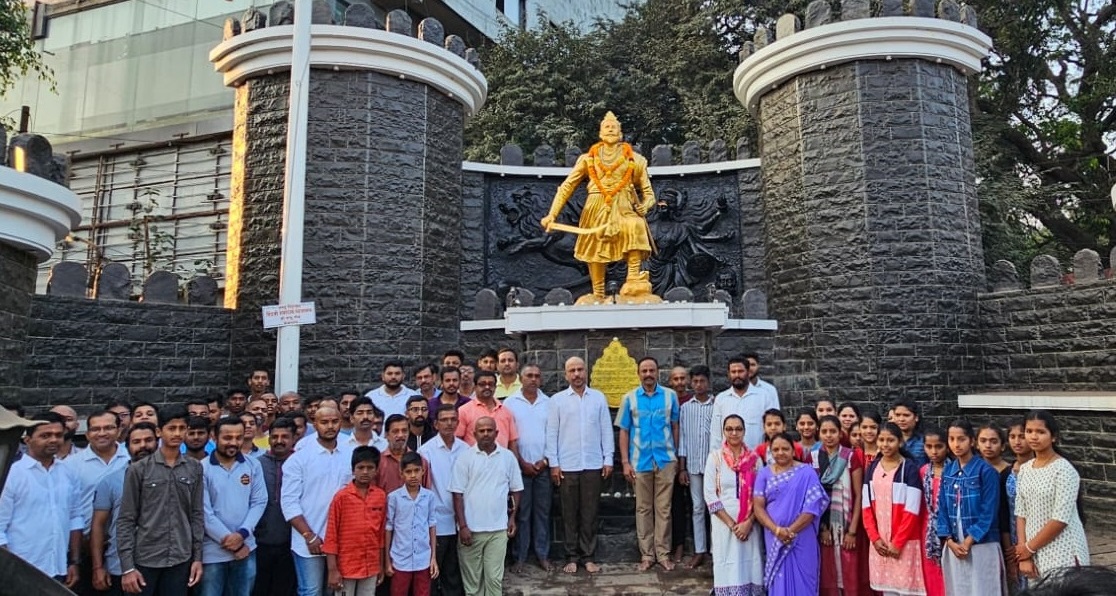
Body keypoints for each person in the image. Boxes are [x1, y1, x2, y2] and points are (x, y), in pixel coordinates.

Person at [541, 110, 658, 303]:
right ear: (600, 132)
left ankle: (633, 280)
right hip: (595, 207)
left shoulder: (635, 160)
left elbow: (649, 194)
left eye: (614, 127)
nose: (610, 129)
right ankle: (598, 292)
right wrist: (552, 214)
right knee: (594, 245)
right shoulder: (588, 158)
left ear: (620, 133)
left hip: (624, 206)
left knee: (636, 225)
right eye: (607, 127)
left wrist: (645, 206)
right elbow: (567, 186)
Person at [117, 406, 205, 596]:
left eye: (182, 428)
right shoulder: (138, 469)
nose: (177, 433)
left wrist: (197, 557)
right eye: (172, 428)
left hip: (181, 557)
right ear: (159, 431)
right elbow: (126, 519)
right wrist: (127, 567)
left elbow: (197, 514)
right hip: (145, 557)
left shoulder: (194, 467)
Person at [546, 356, 614, 575]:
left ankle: (588, 556)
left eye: (580, 369)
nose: (576, 374)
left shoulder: (598, 398)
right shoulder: (557, 400)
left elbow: (606, 430)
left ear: (586, 371)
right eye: (572, 370)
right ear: (566, 375)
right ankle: (571, 556)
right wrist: (554, 464)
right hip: (567, 466)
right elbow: (552, 434)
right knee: (569, 514)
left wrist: (608, 458)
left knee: (590, 513)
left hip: (593, 464)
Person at [0, 411, 83, 586]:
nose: (53, 440)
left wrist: (74, 562)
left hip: (58, 567)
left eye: (58, 435)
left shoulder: (69, 472)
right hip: (21, 570)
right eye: (45, 435)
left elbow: (75, 518)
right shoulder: (12, 474)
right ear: (27, 440)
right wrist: (8, 570)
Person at [616, 356, 681, 571]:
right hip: (640, 461)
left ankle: (663, 554)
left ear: (658, 372)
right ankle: (647, 555)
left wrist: (675, 456)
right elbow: (624, 431)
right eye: (644, 371)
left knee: (664, 509)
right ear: (638, 374)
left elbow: (675, 427)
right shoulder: (629, 398)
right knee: (643, 509)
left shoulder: (670, 396)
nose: (648, 374)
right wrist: (625, 462)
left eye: (651, 370)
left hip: (665, 460)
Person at [280, 405, 353, 596]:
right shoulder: (299, 458)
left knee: (335, 591)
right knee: (311, 591)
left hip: (341, 539)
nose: (330, 426)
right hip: (308, 541)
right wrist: (309, 535)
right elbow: (289, 503)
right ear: (315, 423)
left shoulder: (350, 453)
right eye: (324, 422)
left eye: (334, 421)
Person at [451, 417, 523, 596]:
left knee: (494, 580)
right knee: (473, 585)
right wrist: (463, 526)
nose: (485, 434)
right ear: (474, 434)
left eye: (489, 430)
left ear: (496, 433)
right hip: (471, 531)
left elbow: (516, 489)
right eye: (481, 431)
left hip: (498, 530)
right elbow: (457, 495)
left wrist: (512, 518)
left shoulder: (508, 457)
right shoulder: (465, 458)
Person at [1014, 410, 1089, 581]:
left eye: (1040, 432)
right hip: (1032, 550)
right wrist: (1024, 553)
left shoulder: (1064, 470)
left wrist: (1029, 548)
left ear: (1053, 436)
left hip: (1063, 548)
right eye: (1029, 431)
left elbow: (1060, 519)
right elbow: (1021, 513)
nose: (1034, 437)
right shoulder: (1025, 469)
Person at [752, 432, 829, 595]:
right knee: (779, 581)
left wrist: (790, 531)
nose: (780, 453)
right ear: (770, 452)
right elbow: (758, 507)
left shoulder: (807, 473)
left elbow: (812, 508)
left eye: (785, 449)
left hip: (802, 537)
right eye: (776, 449)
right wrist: (777, 530)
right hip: (774, 537)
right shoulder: (764, 473)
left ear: (793, 450)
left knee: (804, 580)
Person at [199, 416, 267, 596]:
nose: (234, 443)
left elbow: (259, 502)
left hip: (246, 547)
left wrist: (242, 534)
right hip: (213, 552)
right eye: (227, 438)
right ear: (214, 437)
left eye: (238, 437)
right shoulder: (202, 468)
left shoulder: (253, 465)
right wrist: (232, 543)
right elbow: (204, 512)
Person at [936, 419, 1006, 595]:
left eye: (961, 439)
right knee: (959, 589)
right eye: (952, 439)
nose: (956, 444)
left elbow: (989, 511)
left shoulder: (986, 471)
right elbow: (942, 507)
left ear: (972, 441)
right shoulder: (948, 471)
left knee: (983, 589)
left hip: (982, 543)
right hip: (954, 544)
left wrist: (969, 540)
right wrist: (949, 540)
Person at [92, 422, 159, 596]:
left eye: (148, 440)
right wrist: (98, 567)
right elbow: (98, 526)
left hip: (164, 564)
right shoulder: (110, 482)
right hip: (121, 566)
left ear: (157, 442)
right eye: (136, 442)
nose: (143, 446)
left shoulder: (173, 477)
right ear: (127, 447)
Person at [862, 422, 926, 596]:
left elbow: (912, 510)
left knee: (908, 590)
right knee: (888, 591)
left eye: (890, 440)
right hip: (881, 543)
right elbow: (866, 506)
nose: (885, 444)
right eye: (881, 440)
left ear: (900, 442)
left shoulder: (909, 469)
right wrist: (875, 539)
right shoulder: (872, 468)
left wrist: (898, 543)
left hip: (904, 542)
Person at [703, 415, 764, 595]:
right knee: (726, 562)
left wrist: (748, 522)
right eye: (729, 429)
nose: (734, 433)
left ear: (744, 431)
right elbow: (709, 494)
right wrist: (732, 525)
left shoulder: (755, 460)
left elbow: (761, 495)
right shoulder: (715, 458)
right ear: (724, 431)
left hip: (750, 523)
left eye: (738, 429)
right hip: (723, 523)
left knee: (751, 562)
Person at [504, 363, 552, 573]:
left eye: (537, 376)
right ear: (521, 378)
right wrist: (521, 462)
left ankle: (543, 555)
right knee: (521, 513)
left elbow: (553, 434)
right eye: (529, 375)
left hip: (543, 468)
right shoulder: (510, 403)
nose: (533, 379)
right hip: (519, 468)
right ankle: (520, 557)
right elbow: (509, 437)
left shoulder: (548, 403)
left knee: (543, 513)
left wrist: (545, 461)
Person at [417, 405, 468, 596]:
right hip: (437, 522)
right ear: (436, 424)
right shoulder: (425, 452)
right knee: (433, 572)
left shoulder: (466, 450)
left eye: (453, 419)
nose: (449, 423)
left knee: (454, 573)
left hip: (463, 521)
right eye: (444, 420)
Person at [322, 446, 387, 596]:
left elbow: (380, 536)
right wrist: (332, 570)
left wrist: (381, 565)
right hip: (346, 567)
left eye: (370, 468)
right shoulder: (341, 498)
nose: (365, 472)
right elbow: (331, 536)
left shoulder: (380, 496)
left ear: (376, 470)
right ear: (353, 470)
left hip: (371, 565)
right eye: (361, 467)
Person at [814, 416, 863, 596]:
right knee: (828, 574)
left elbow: (858, 495)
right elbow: (813, 497)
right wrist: (823, 528)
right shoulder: (813, 457)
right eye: (824, 431)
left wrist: (852, 531)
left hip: (847, 524)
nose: (829, 435)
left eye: (833, 431)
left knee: (849, 573)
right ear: (819, 433)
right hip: (824, 527)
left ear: (840, 433)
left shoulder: (850, 456)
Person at [677, 364, 716, 569]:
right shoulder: (685, 408)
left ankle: (716, 550)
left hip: (714, 466)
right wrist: (682, 467)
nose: (699, 385)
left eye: (702, 381)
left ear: (708, 382)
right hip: (693, 465)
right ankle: (700, 550)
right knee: (698, 508)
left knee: (715, 507)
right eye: (695, 381)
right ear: (691, 383)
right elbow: (682, 438)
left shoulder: (717, 405)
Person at [254, 417, 297, 596]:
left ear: (294, 438)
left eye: (285, 437)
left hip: (291, 542)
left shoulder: (300, 463)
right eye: (274, 436)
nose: (279, 441)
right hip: (259, 541)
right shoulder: (256, 464)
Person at [386, 451, 439, 596]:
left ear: (423, 471)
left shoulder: (429, 497)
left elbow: (432, 525)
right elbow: (389, 528)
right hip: (400, 559)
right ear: (401, 474)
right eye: (408, 472)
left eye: (417, 470)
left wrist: (433, 558)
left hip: (423, 559)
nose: (413, 475)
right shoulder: (394, 498)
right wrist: (387, 561)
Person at [710, 356, 778, 450]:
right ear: (728, 374)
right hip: (728, 456)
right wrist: (715, 456)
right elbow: (716, 434)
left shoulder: (764, 396)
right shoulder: (721, 399)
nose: (737, 375)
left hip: (757, 455)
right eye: (733, 372)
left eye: (740, 371)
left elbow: (773, 428)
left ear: (748, 372)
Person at [456, 370, 520, 450]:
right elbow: (458, 440)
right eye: (482, 384)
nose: (487, 387)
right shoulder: (464, 411)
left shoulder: (506, 411)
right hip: (473, 457)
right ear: (475, 387)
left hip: (501, 457)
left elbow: (512, 442)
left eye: (491, 384)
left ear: (495, 387)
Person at [920, 426, 949, 596]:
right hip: (927, 532)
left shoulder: (954, 471)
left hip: (949, 531)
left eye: (939, 446)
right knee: (930, 577)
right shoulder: (923, 472)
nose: (934, 451)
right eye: (929, 447)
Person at [1006, 418, 1034, 593]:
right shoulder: (1007, 472)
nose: (1017, 441)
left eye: (1022, 436)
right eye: (1012, 436)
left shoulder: (1040, 469)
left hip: (1037, 534)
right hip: (1015, 535)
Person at [377, 415, 433, 495]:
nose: (400, 435)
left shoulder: (421, 461)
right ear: (386, 435)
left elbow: (427, 493)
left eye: (404, 431)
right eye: (395, 431)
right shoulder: (378, 462)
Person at [892, 398, 928, 467]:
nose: (901, 419)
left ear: (916, 417)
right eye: (897, 415)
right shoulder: (887, 440)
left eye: (906, 415)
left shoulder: (924, 440)